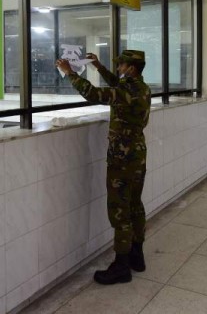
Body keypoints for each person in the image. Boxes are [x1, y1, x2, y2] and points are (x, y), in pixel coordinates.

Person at [56, 49, 151, 285]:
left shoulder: (126, 90)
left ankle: (121, 266)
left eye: (121, 65)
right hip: (137, 153)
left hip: (122, 157)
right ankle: (136, 255)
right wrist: (99, 67)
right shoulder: (141, 87)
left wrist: (69, 73)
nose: (118, 68)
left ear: (131, 68)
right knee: (135, 204)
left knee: (120, 209)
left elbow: (94, 93)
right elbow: (117, 87)